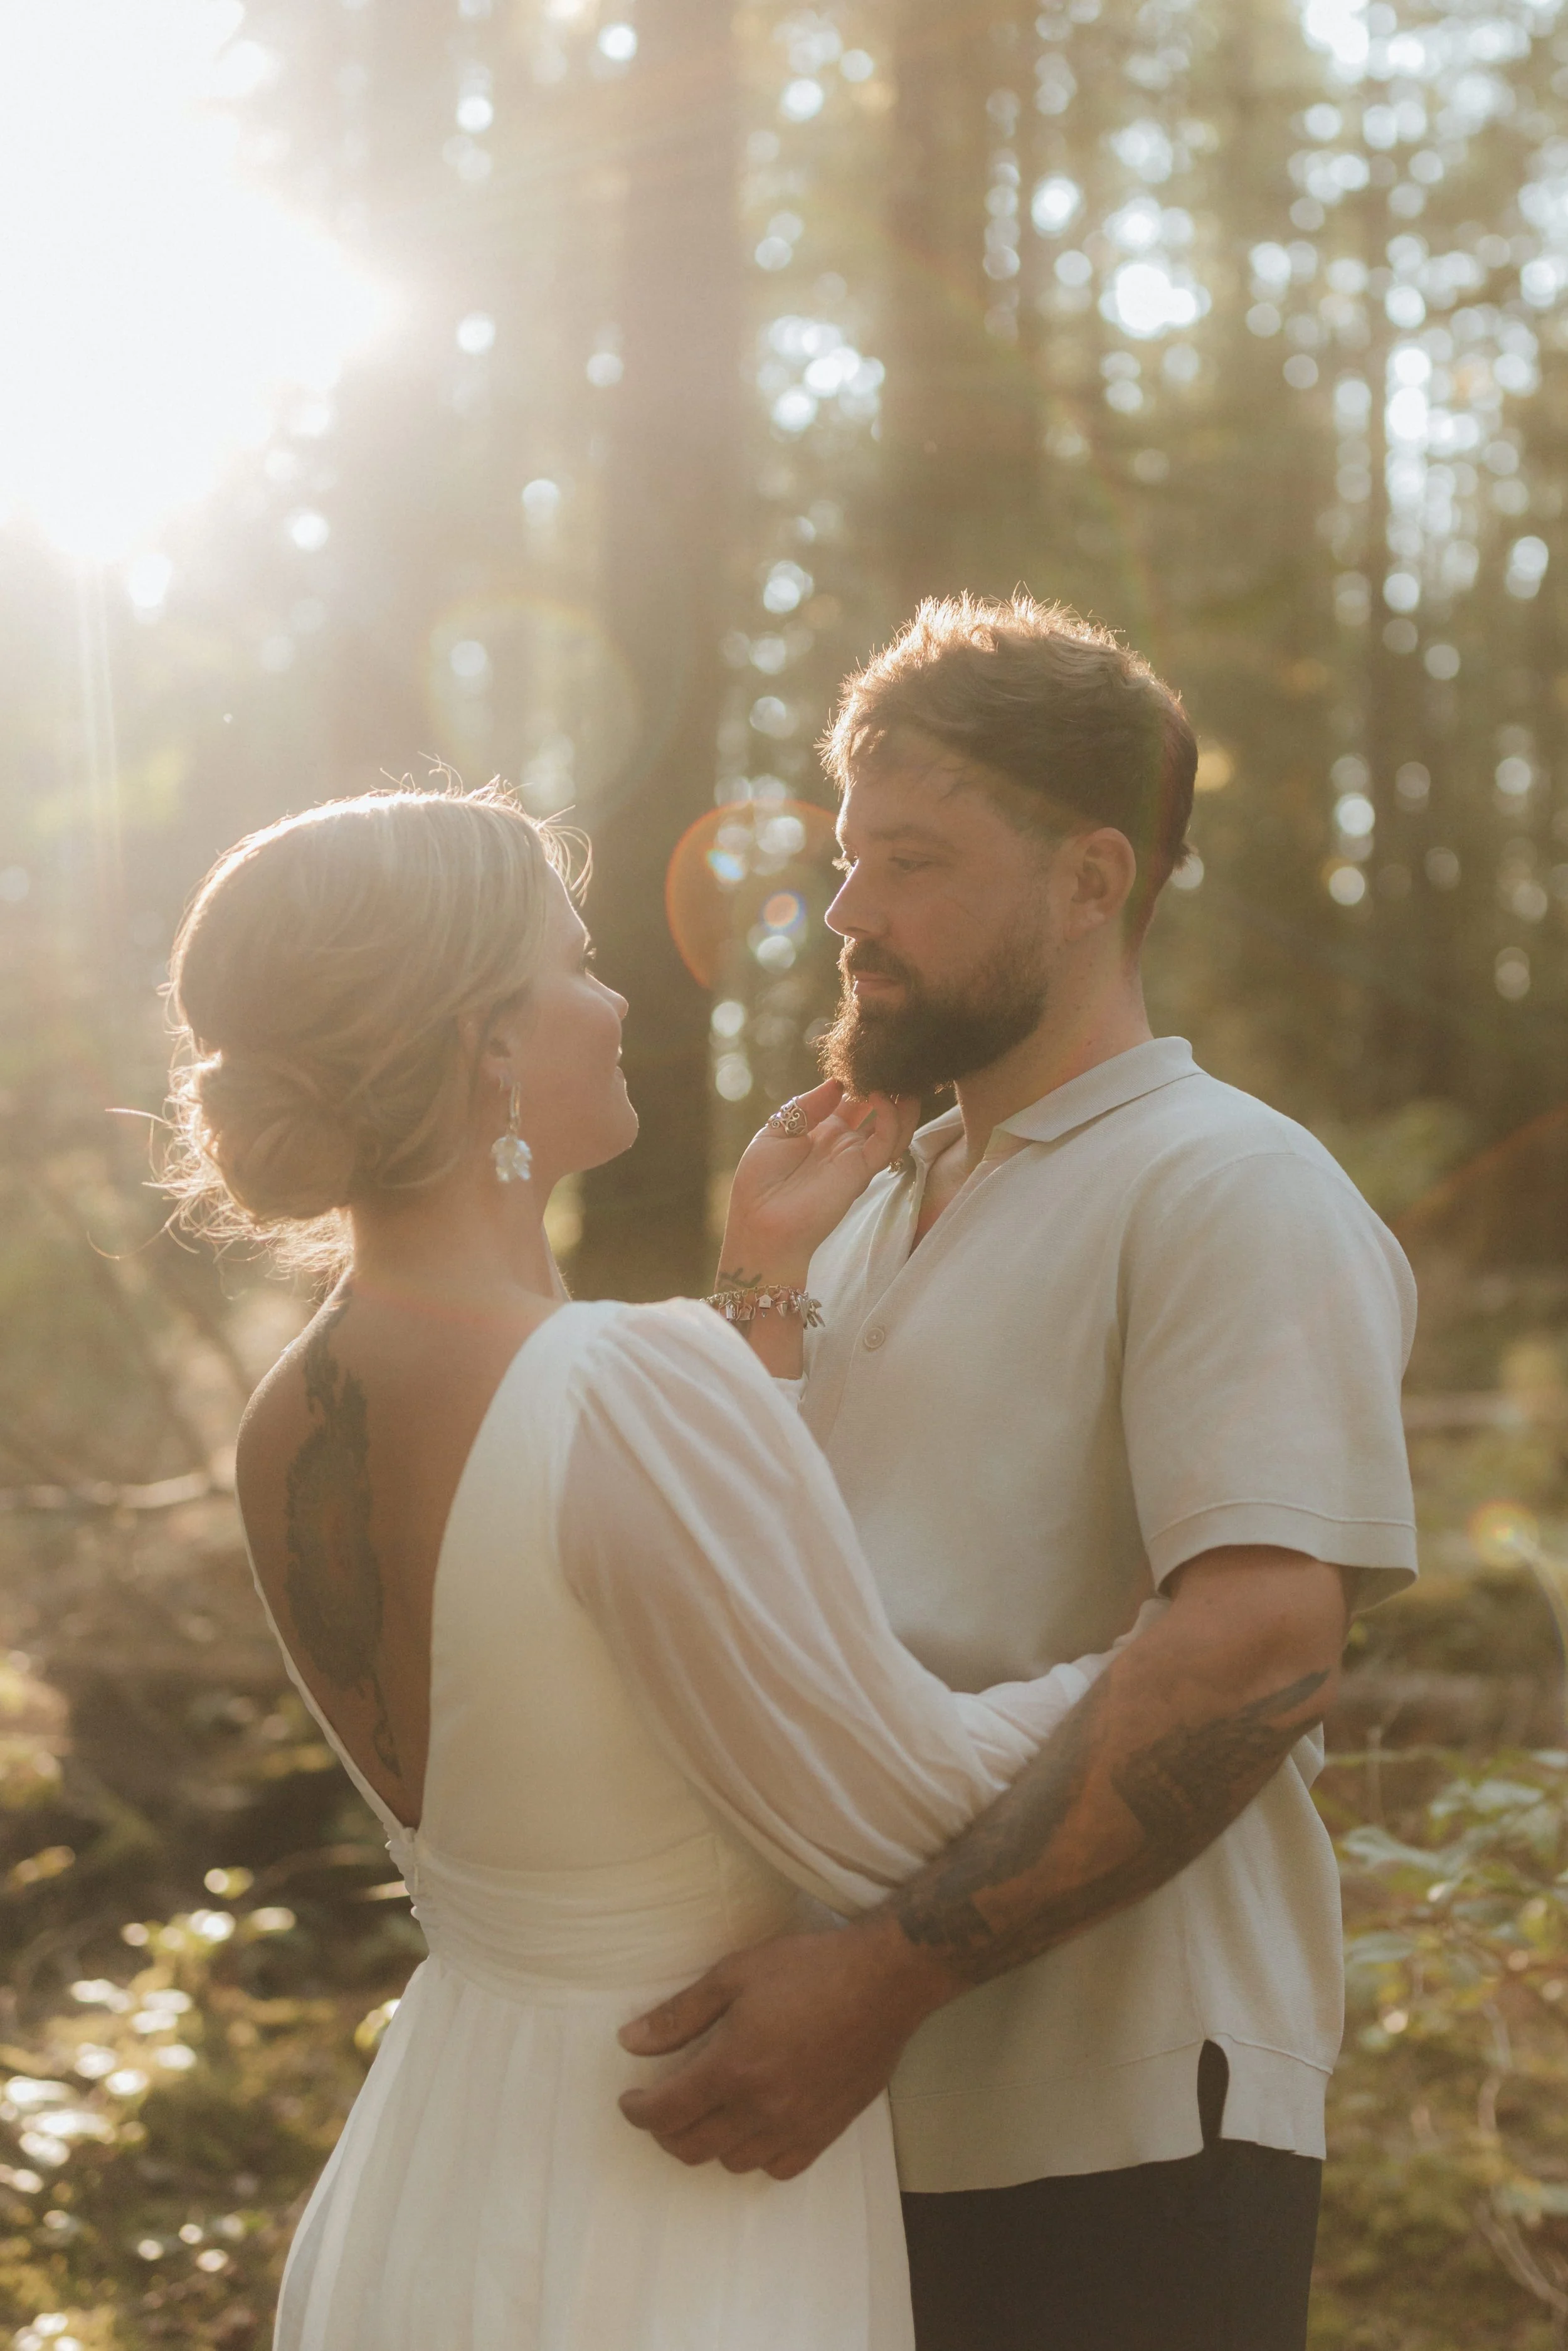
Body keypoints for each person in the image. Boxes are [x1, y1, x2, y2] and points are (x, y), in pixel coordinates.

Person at [163, 782, 1152, 2351]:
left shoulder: (286, 1411)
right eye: (575, 962)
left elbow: (590, 1642)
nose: (615, 999)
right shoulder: (618, 1381)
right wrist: (1161, 1652)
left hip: (442, 2160)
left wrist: (760, 1288)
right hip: (660, 2191)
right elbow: (905, 1803)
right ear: (489, 1044)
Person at [615, 594, 1419, 2351]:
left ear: (1089, 878)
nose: (847, 912)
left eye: (912, 860)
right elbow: (751, 1599)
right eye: (846, 856)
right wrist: (761, 1280)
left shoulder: (1228, 1187)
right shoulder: (860, 1208)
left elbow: (1261, 1644)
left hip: (1113, 2135)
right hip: (828, 2143)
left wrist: (876, 1981)